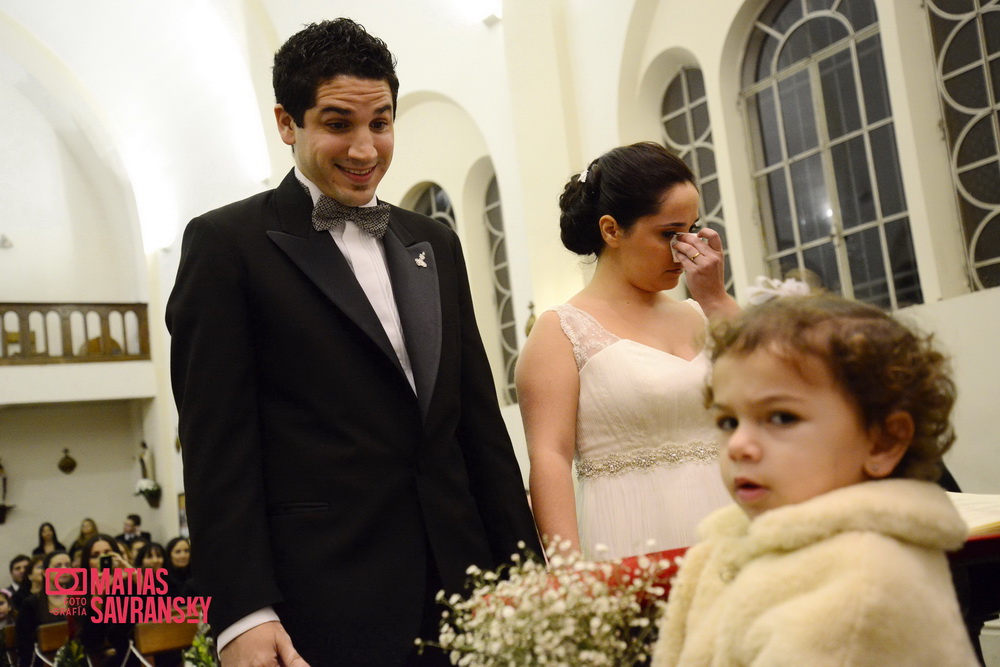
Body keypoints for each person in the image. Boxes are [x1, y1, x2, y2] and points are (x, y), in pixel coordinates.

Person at [165, 17, 540, 666]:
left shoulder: (435, 242)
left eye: (381, 123)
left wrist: (526, 573)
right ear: (288, 123)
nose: (365, 149)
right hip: (329, 598)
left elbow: (476, 424)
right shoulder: (227, 247)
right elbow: (217, 449)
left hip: (468, 585)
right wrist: (243, 611)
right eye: (338, 124)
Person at [652, 291, 979, 666]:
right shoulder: (721, 548)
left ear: (883, 441)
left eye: (781, 417)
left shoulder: (862, 588)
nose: (739, 445)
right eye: (728, 421)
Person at [516, 142, 738, 560]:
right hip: (633, 534)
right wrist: (569, 573)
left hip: (731, 527)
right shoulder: (560, 331)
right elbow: (550, 456)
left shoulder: (704, 313)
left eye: (692, 228)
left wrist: (717, 299)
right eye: (669, 234)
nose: (685, 248)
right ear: (611, 230)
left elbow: (773, 389)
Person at [14, 551, 70, 667]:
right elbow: (25, 646)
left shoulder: (80, 598)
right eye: (58, 566)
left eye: (68, 565)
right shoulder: (31, 604)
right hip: (43, 661)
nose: (64, 569)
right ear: (45, 572)